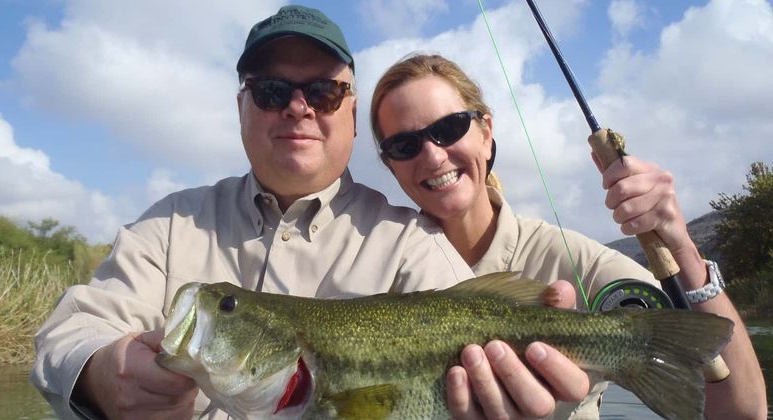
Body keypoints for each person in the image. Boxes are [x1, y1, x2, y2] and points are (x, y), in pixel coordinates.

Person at [30, 7, 587, 420]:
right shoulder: (170, 225)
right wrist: (100, 371)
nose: (298, 107)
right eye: (272, 91)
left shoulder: (413, 243)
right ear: (241, 107)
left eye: (322, 92)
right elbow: (68, 332)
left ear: (349, 110)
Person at [370, 53, 767, 419]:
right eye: (404, 145)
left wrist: (682, 248)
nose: (433, 155)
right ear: (390, 165)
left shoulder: (578, 262)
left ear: (486, 131)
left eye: (449, 128)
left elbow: (740, 411)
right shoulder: (373, 266)